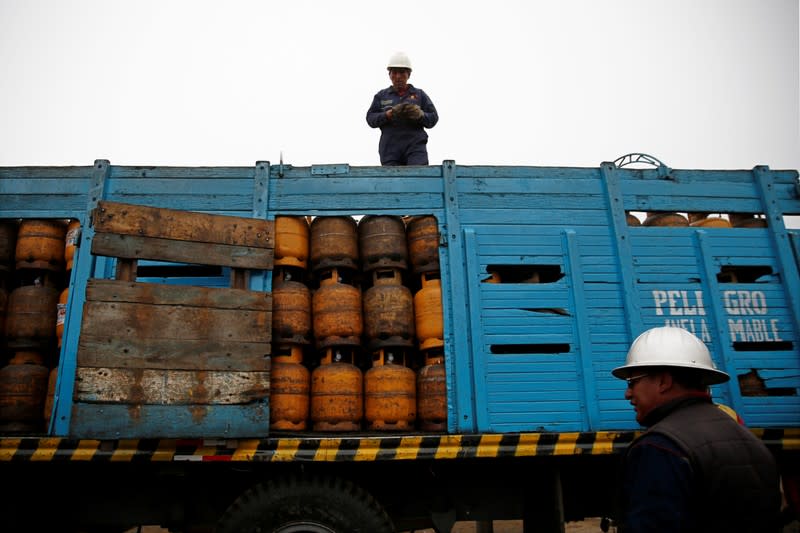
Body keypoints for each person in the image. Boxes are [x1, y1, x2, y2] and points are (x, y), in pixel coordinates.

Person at [610, 326, 781, 532]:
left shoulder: (660, 447)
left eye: (632, 382)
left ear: (664, 381)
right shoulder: (748, 440)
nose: (627, 394)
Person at [366, 52, 438, 166]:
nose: (398, 76)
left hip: (415, 147)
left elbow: (433, 118)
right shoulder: (381, 96)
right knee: (393, 181)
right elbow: (370, 118)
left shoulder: (419, 95)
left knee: (418, 176)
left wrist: (420, 115)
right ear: (389, 75)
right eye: (394, 72)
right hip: (390, 150)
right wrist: (387, 115)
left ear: (408, 74)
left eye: (402, 72)